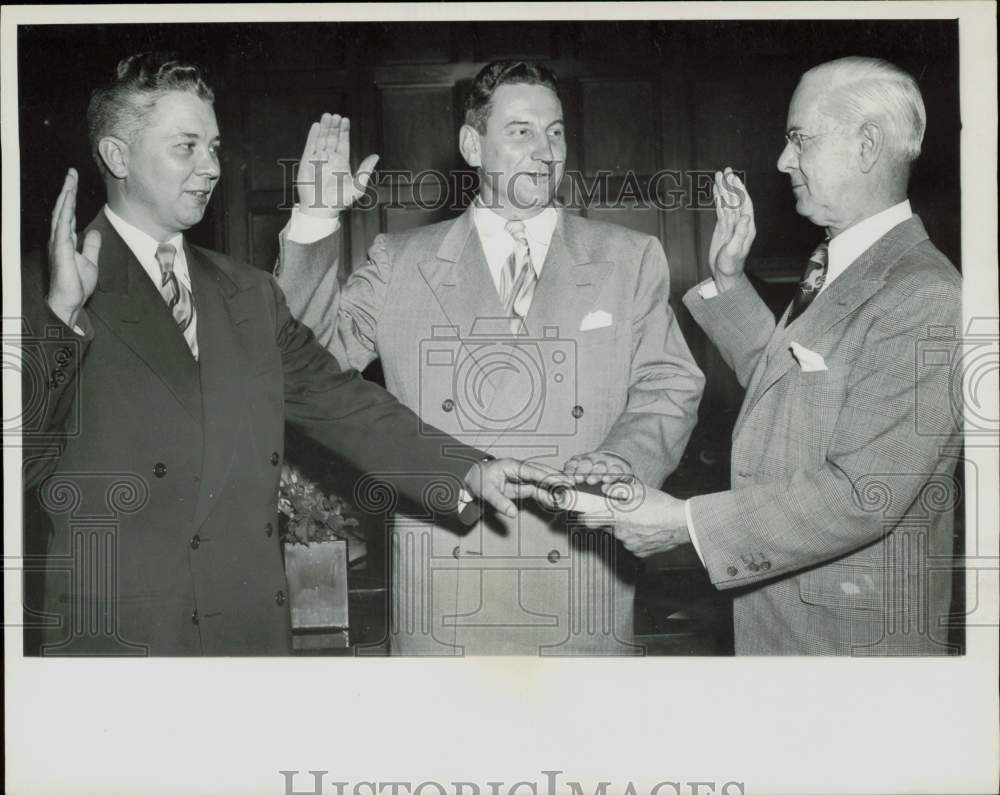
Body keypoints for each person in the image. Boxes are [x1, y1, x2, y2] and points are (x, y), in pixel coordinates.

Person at [20, 52, 560, 657]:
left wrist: (465, 469)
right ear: (118, 156)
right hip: (121, 646)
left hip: (247, 635)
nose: (211, 168)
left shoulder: (246, 291)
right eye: (187, 147)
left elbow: (345, 402)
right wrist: (62, 320)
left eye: (215, 147)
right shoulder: (40, 289)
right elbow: (20, 459)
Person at [275, 60, 704, 655]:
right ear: (472, 145)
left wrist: (620, 461)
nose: (544, 151)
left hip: (582, 577)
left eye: (555, 132)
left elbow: (669, 384)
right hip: (446, 586)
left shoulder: (629, 257)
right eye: (521, 131)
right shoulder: (402, 260)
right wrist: (316, 218)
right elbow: (307, 364)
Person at [566, 56, 963, 655]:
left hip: (851, 644)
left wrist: (686, 523)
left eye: (799, 138)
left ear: (866, 145)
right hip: (790, 620)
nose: (782, 160)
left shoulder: (924, 292)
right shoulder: (845, 262)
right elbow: (797, 400)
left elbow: (864, 493)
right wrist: (729, 279)